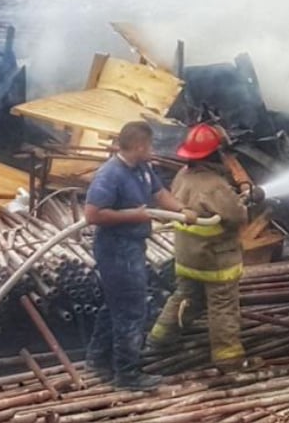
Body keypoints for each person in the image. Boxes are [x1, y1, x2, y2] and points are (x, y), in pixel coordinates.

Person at [84, 120, 190, 390]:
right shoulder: (110, 174)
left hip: (132, 246)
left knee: (114, 306)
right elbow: (92, 214)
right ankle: (127, 375)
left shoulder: (142, 168)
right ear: (140, 145)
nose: (152, 149)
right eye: (150, 144)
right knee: (131, 311)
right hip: (116, 250)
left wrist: (182, 211)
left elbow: (160, 193)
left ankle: (97, 361)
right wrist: (134, 215)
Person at [147, 123, 260, 367]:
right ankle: (228, 359)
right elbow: (237, 217)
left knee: (185, 297)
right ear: (215, 153)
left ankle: (159, 340)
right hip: (215, 259)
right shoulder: (215, 185)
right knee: (223, 307)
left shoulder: (183, 175)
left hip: (188, 256)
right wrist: (248, 203)